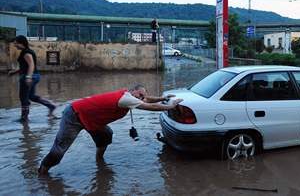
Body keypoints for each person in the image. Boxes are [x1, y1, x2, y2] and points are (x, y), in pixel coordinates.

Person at [38, 84, 183, 175]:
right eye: (139, 94)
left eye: (142, 96)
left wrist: (162, 98)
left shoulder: (130, 97)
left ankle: (99, 161)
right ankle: (42, 172)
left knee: (107, 134)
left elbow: (147, 100)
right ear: (132, 91)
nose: (142, 98)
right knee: (60, 149)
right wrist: (170, 106)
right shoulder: (126, 98)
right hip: (74, 116)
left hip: (92, 121)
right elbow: (149, 106)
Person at [8, 35, 56, 122]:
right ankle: (50, 106)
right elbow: (25, 66)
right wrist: (15, 71)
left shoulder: (26, 52)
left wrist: (28, 76)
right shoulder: (26, 51)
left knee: (23, 97)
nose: (15, 45)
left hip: (30, 76)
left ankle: (24, 118)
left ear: (21, 43)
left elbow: (31, 65)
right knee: (32, 96)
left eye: (16, 44)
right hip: (34, 76)